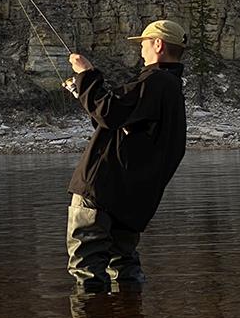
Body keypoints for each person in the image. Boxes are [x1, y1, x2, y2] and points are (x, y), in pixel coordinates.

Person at [65, 19, 188, 291]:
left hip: (101, 191)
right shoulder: (171, 90)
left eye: (143, 43)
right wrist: (83, 90)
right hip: (132, 201)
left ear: (158, 44)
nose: (141, 50)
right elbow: (117, 123)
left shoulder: (154, 82)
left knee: (86, 267)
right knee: (124, 268)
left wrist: (86, 74)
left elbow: (109, 112)